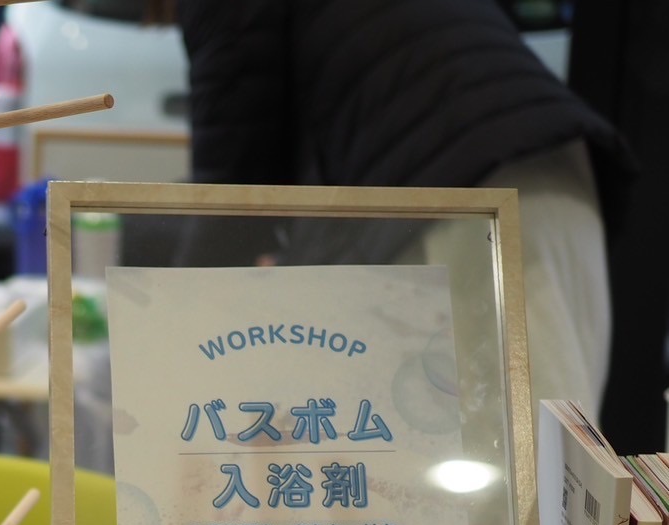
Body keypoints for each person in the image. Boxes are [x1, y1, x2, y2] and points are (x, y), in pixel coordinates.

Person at [176, 0, 632, 424]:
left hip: (464, 192)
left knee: (523, 460)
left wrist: (169, 330)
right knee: (558, 451)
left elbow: (229, 193)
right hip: (553, 168)